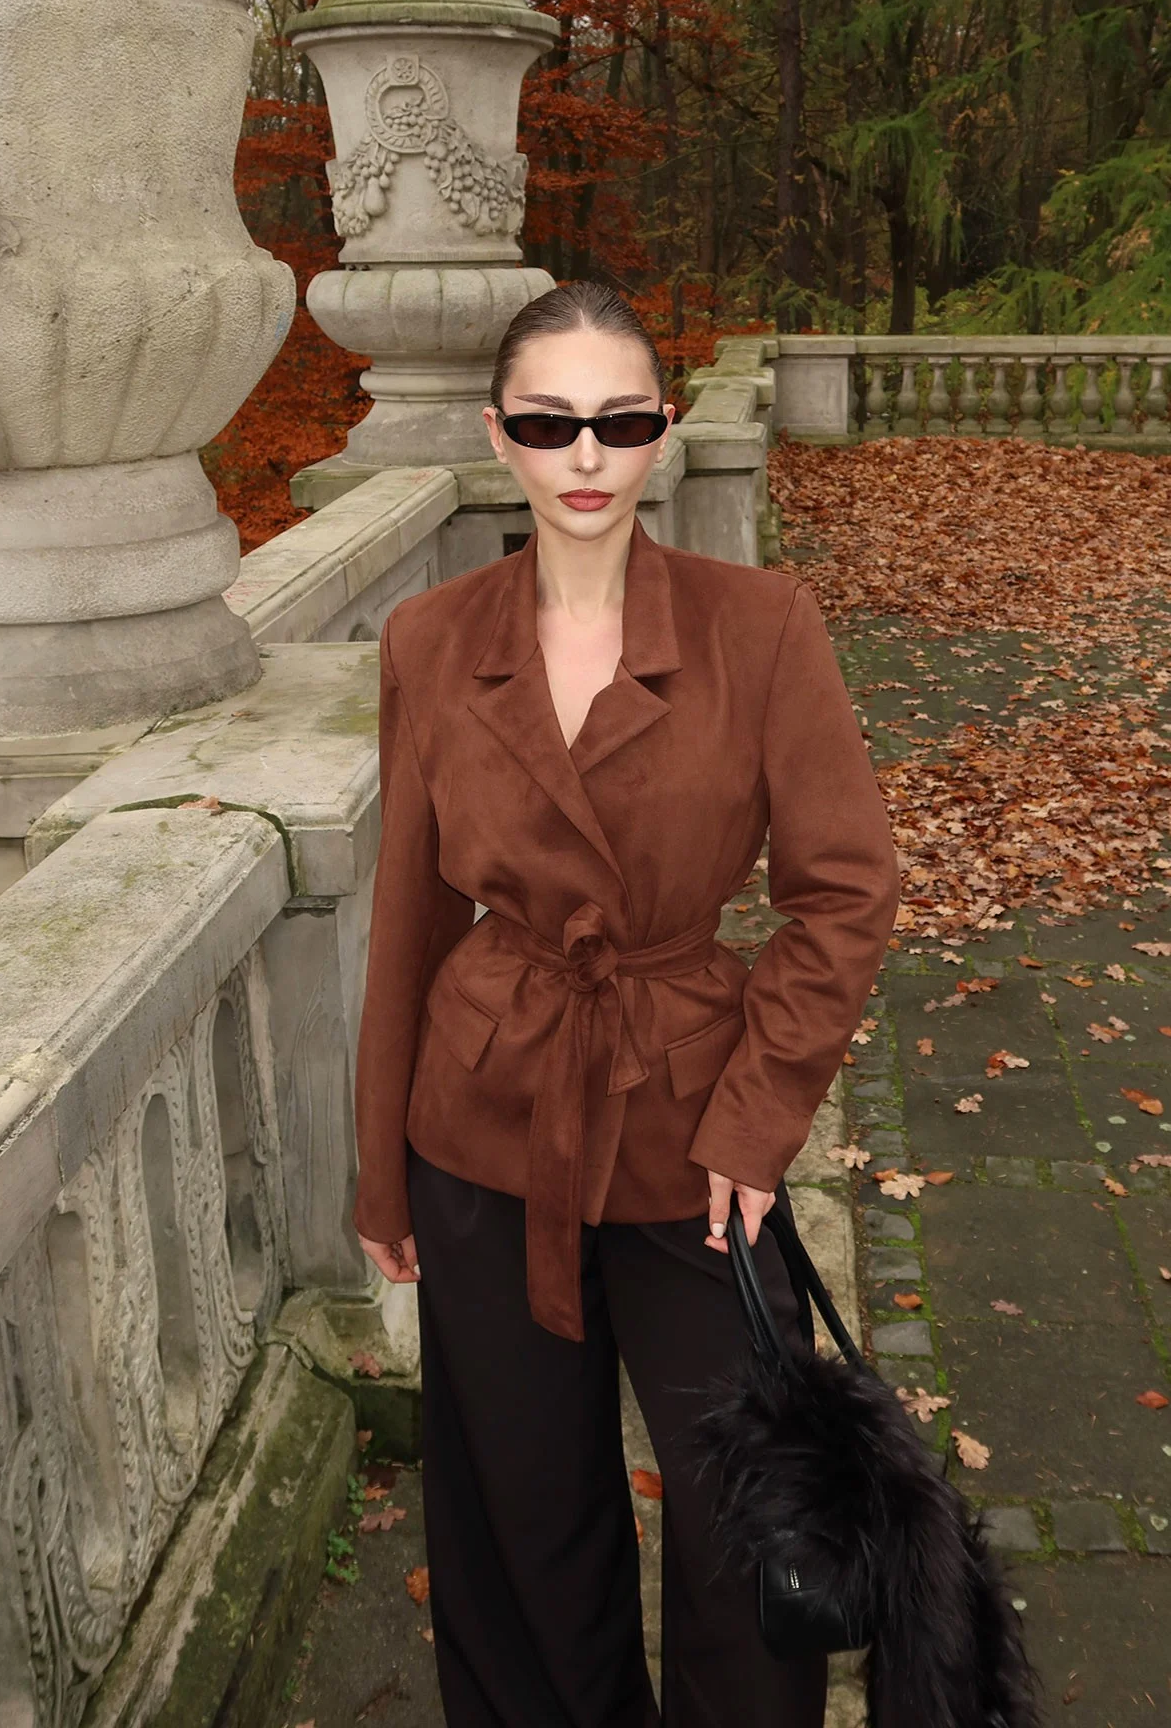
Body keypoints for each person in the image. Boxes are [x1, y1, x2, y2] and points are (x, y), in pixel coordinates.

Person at [352, 281, 901, 1728]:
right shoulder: (429, 638)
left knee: (748, 1518)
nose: (584, 455)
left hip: (691, 1129)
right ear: (499, 437)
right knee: (519, 1513)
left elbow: (846, 889)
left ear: (662, 430)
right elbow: (410, 916)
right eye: (548, 424)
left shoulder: (757, 628)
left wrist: (758, 1122)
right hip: (482, 1122)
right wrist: (379, 1172)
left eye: (616, 421)